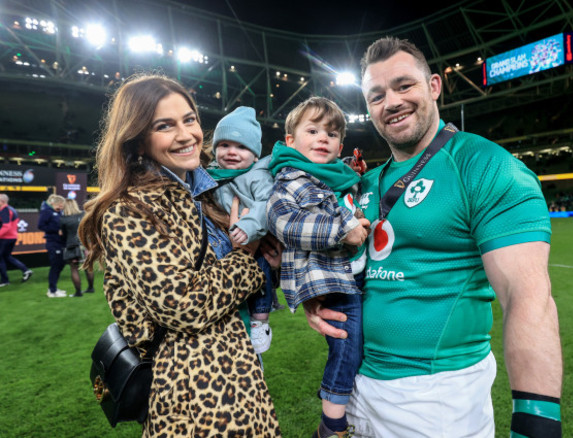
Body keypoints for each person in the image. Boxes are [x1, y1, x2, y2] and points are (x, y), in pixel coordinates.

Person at [304, 37, 563, 438]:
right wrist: (318, 297)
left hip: (435, 401)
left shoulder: (486, 166)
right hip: (352, 387)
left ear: (435, 87)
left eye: (404, 86)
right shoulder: (365, 184)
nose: (391, 102)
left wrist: (537, 423)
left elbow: (528, 297)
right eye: (376, 95)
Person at [78, 73, 281, 437]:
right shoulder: (129, 210)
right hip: (192, 391)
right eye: (165, 126)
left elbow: (234, 283)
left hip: (240, 372)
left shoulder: (208, 191)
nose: (187, 134)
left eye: (190, 119)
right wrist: (247, 258)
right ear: (138, 141)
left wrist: (271, 263)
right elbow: (184, 306)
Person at [267, 97, 370, 438]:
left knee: (355, 345)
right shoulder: (290, 179)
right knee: (347, 344)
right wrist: (343, 229)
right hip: (329, 280)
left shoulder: (336, 178)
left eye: (332, 132)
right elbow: (287, 224)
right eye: (312, 130)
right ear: (291, 141)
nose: (323, 138)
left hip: (351, 275)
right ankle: (332, 424)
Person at [206, 106, 277, 354]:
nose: (232, 152)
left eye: (242, 147)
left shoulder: (257, 175)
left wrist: (249, 226)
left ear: (256, 155)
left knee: (261, 271)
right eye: (224, 145)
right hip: (227, 254)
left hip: (255, 236)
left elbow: (266, 203)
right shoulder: (210, 175)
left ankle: (261, 321)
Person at [60, 198, 94, 297]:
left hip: (71, 246)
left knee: (74, 269)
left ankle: (78, 293)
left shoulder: (63, 219)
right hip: (85, 245)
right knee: (88, 267)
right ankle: (91, 288)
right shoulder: (83, 214)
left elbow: (63, 234)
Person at [0, 193, 33, 287]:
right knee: (7, 256)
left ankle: (5, 281)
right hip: (12, 237)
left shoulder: (4, 210)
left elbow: (6, 226)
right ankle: (26, 270)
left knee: (1, 258)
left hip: (5, 238)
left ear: (2, 201)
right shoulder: (11, 209)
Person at [38, 194, 66, 297]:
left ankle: (54, 287)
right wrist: (56, 231)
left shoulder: (57, 212)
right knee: (55, 265)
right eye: (61, 205)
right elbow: (40, 225)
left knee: (61, 264)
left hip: (60, 242)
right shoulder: (46, 211)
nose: (62, 208)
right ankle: (52, 290)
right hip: (52, 242)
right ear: (54, 203)